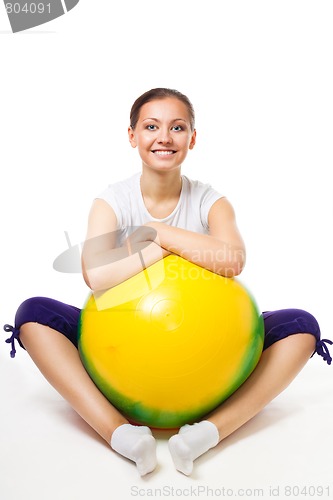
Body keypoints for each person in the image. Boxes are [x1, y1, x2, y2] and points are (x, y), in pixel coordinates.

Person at [4, 88, 332, 477]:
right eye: (151, 126)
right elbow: (97, 276)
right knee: (33, 314)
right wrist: (167, 245)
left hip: (210, 344)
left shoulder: (211, 201)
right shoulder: (112, 201)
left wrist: (158, 233)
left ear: (192, 138)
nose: (164, 137)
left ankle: (208, 433)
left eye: (177, 127)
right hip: (119, 343)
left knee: (302, 327)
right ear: (132, 136)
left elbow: (233, 259)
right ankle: (121, 433)